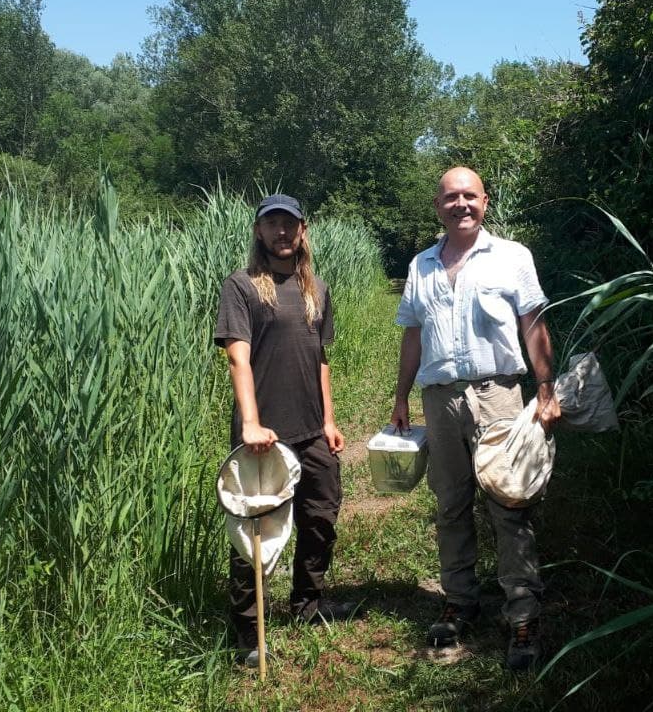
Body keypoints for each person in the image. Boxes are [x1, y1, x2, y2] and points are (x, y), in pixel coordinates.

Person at [391, 167, 562, 671]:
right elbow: (412, 335)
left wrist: (546, 387)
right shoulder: (420, 265)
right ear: (438, 206)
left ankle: (523, 612)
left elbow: (533, 324)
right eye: (450, 197)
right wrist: (400, 397)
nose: (460, 204)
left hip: (500, 396)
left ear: (484, 202)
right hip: (440, 399)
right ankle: (459, 600)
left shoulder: (512, 257)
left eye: (469, 195)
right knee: (451, 504)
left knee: (510, 504)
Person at [214, 193, 357, 665]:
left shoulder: (315, 287)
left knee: (321, 515)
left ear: (302, 230)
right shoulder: (243, 286)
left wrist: (329, 420)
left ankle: (307, 604)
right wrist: (251, 423)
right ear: (259, 231)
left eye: (289, 224)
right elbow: (238, 356)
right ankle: (249, 634)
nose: (281, 232)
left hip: (312, 429)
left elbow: (320, 359)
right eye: (271, 223)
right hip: (262, 435)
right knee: (256, 527)